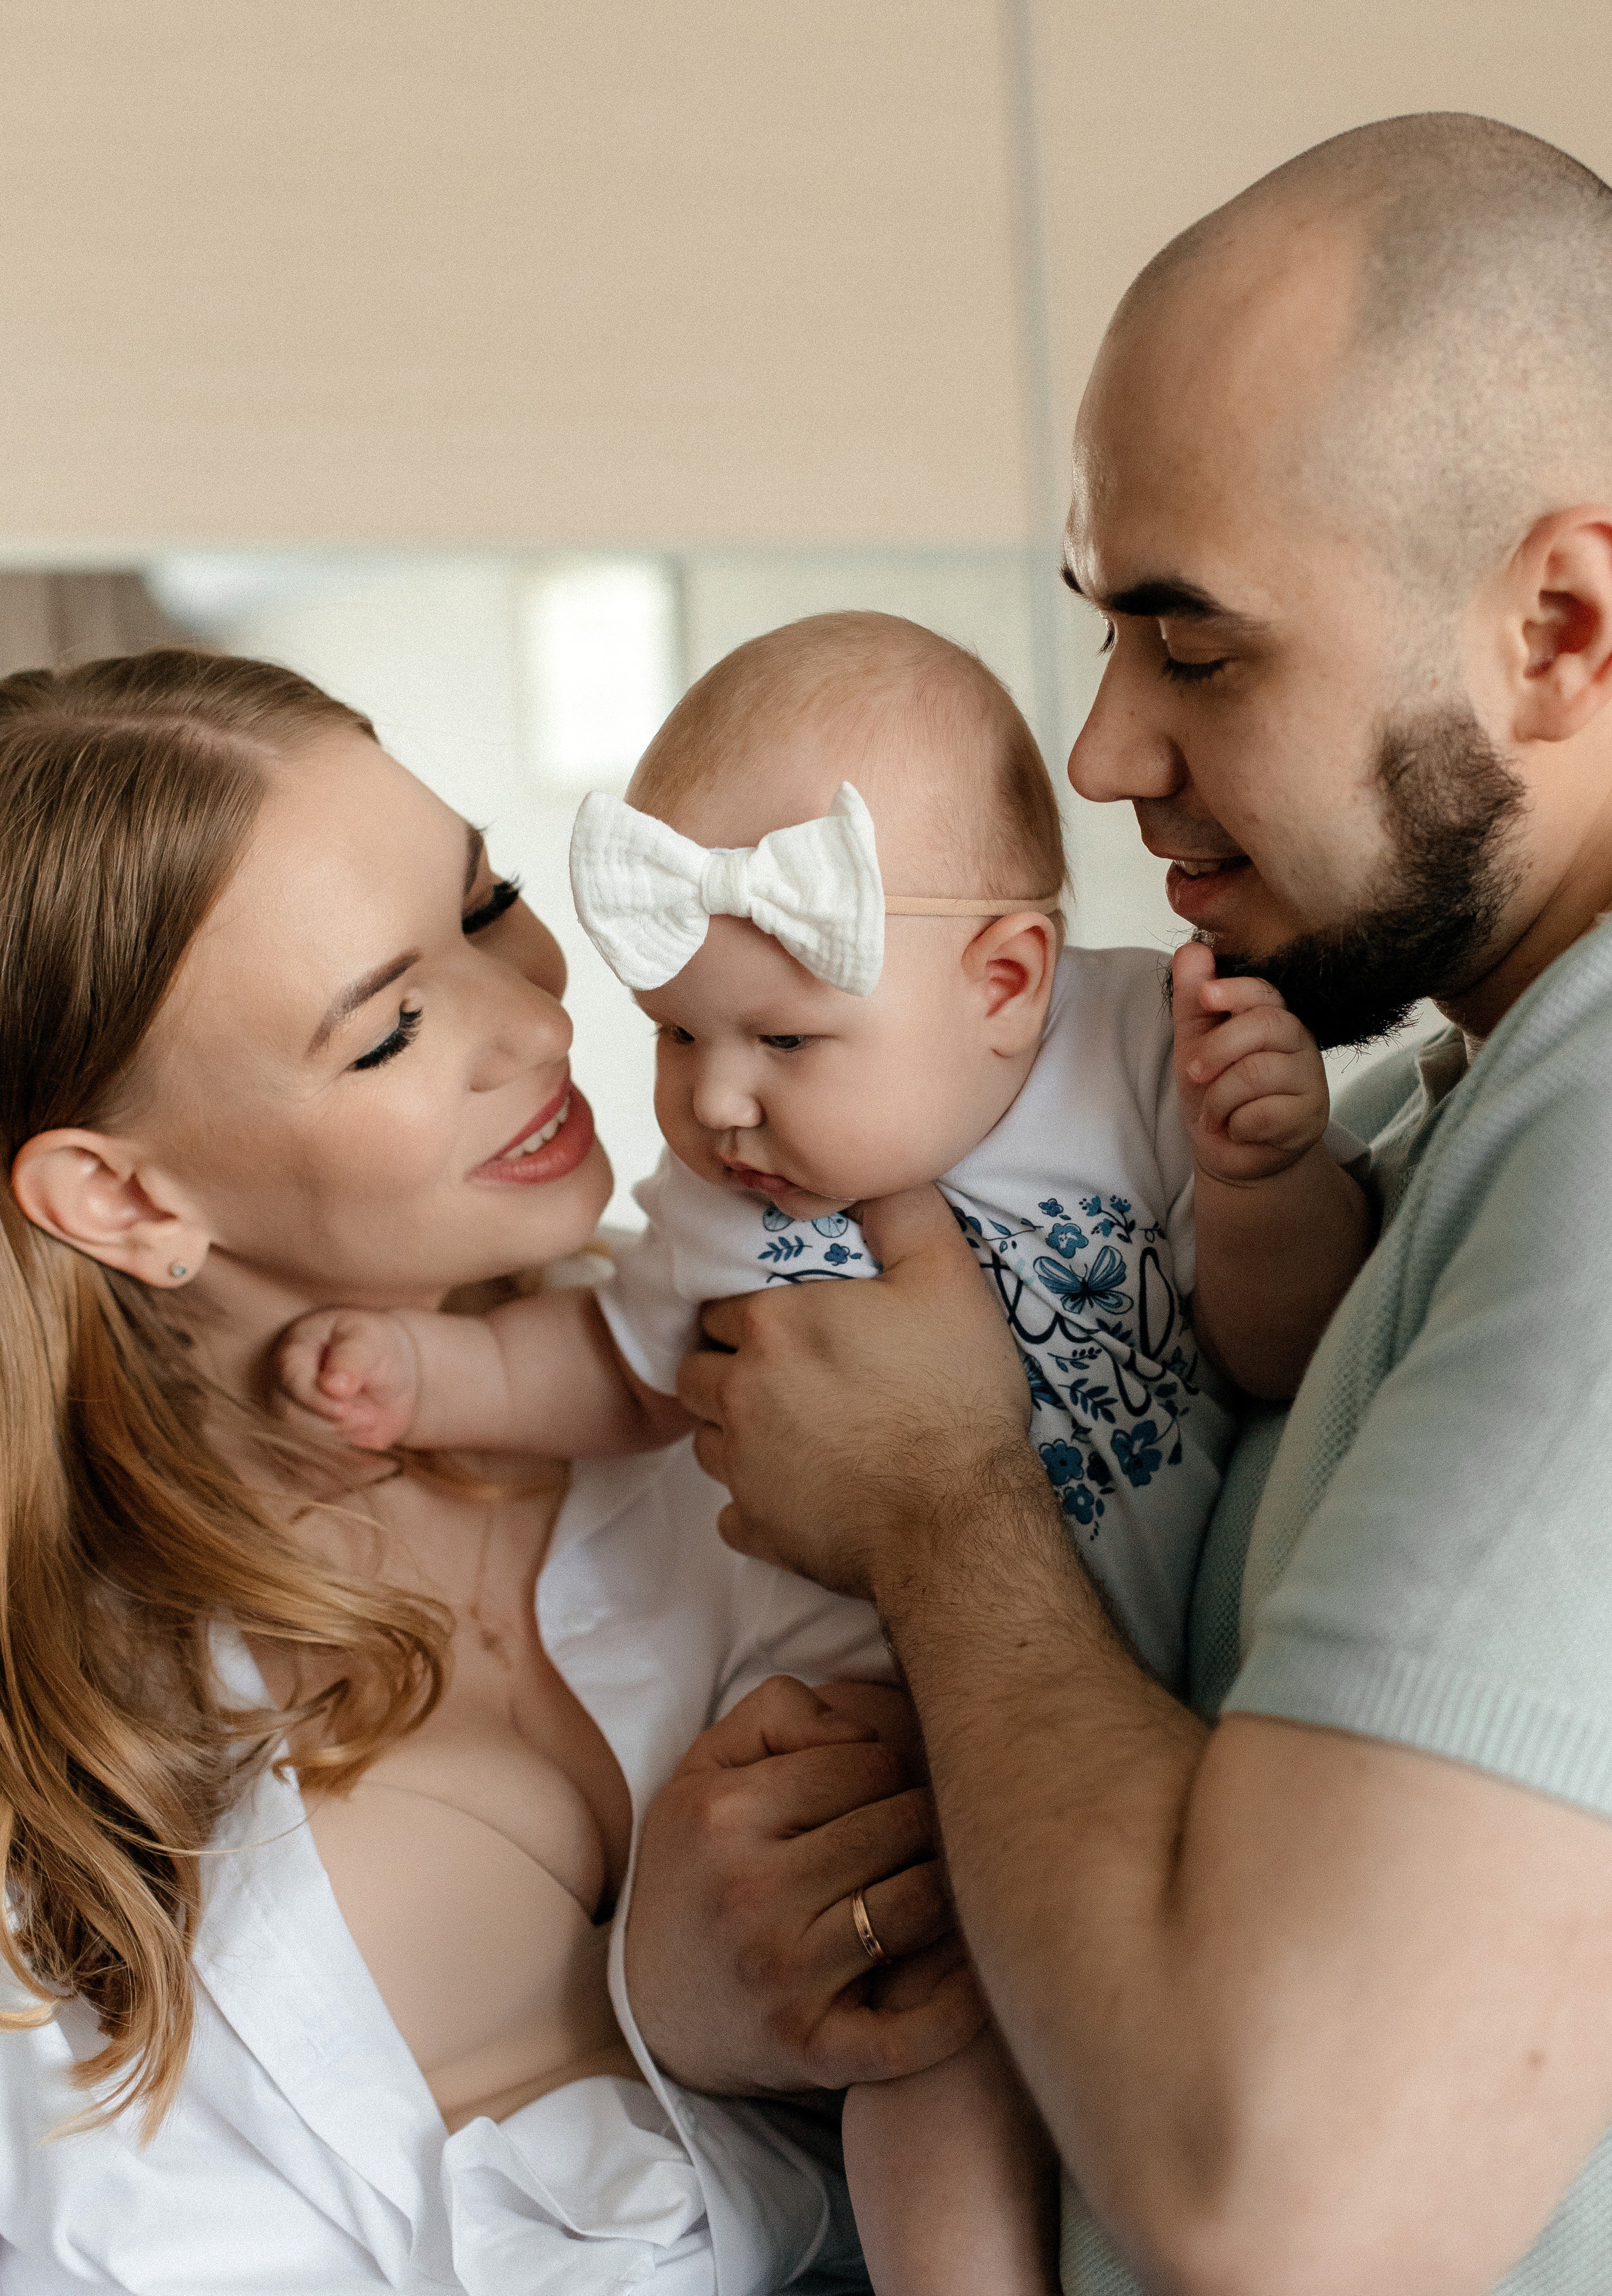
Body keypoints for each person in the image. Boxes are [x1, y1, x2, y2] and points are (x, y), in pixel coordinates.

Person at [659, 113, 1612, 2295]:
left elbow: (1286, 2204)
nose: (1102, 754)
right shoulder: (1471, 1086)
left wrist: (946, 1507)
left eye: (1198, 645)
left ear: (1557, 622)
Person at [0, 648, 973, 2295]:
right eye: (387, 1029)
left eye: (490, 898)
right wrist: (664, 2019)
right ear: (123, 1200)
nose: (538, 1016)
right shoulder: (59, 1780)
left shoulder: (786, 1364)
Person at [276, 612, 1369, 1696]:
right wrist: (425, 1379)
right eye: (677, 1032)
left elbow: (1289, 1356)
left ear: (1004, 985)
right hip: (849, 1722)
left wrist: (1261, 1180)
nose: (715, 1098)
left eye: (785, 1040)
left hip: (1157, 1704)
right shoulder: (725, 1198)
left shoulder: (1152, 1054)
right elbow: (624, 1370)